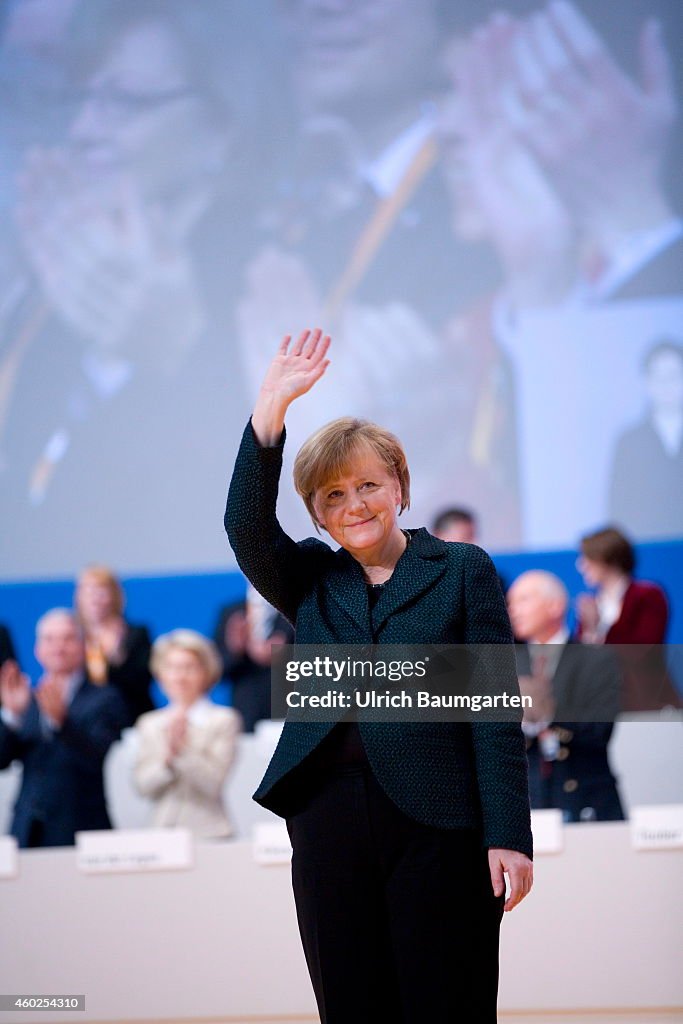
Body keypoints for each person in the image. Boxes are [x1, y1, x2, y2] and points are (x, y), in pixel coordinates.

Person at [224, 329, 533, 1024]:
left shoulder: (461, 569)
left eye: (367, 485)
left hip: (438, 822)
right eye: (332, 496)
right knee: (352, 1006)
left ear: (398, 486)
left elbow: (492, 711)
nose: (354, 505)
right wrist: (269, 409)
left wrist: (507, 831)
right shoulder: (307, 577)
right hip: (328, 819)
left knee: (445, 1004)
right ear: (316, 514)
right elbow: (244, 527)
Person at [0, 608, 126, 848]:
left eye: (68, 638)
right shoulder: (26, 699)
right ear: (37, 649)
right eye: (49, 639)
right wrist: (11, 716)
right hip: (29, 829)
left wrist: (62, 723)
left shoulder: (104, 698)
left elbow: (95, 755)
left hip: (82, 828)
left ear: (84, 646)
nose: (58, 647)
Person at [507, 570, 624, 823]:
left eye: (524, 600)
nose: (513, 610)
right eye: (510, 602)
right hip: (525, 805)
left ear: (555, 606)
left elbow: (599, 729)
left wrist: (547, 715)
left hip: (586, 800)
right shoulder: (505, 664)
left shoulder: (595, 659)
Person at [133, 629, 240, 839]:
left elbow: (213, 783)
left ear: (206, 673)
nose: (180, 676)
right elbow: (143, 786)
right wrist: (167, 760)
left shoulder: (223, 720)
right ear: (160, 674)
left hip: (210, 834)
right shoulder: (149, 724)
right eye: (172, 668)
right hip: (161, 835)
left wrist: (181, 750)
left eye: (189, 668)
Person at [576, 526, 681, 711]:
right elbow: (584, 660)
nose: (581, 565)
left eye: (588, 558)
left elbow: (641, 649)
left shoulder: (647, 595)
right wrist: (591, 629)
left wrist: (600, 626)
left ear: (609, 558)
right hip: (603, 703)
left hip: (645, 701)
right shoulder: (592, 605)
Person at [609, 339, 683, 540]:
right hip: (643, 544)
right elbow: (618, 503)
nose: (667, 385)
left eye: (674, 376)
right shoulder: (629, 441)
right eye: (659, 377)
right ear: (647, 382)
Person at [75, 563, 153, 726]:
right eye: (88, 590)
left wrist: (117, 654)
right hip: (84, 721)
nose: (94, 597)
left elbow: (143, 680)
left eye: (101, 591)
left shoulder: (135, 635)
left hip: (131, 716)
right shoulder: (72, 637)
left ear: (115, 595)